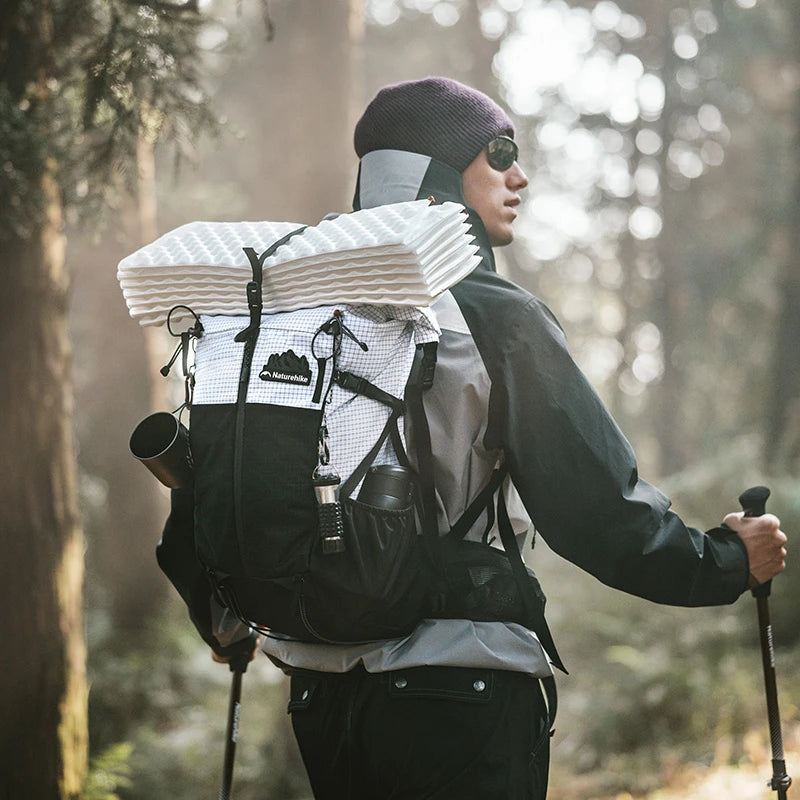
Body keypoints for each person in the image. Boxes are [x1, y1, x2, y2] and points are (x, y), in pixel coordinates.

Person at [160, 77, 787, 799]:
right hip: (464, 691)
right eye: (500, 153)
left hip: (323, 697)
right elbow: (595, 508)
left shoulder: (282, 317)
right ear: (437, 170)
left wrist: (227, 619)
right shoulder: (493, 315)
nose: (520, 176)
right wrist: (725, 562)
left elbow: (213, 488)